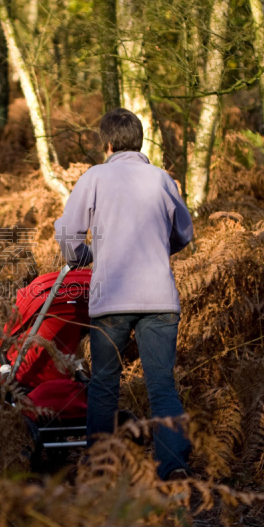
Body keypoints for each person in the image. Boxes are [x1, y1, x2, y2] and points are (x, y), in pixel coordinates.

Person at [54, 108, 194, 480]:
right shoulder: (162, 179)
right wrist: (158, 249)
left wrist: (84, 256)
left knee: (103, 385)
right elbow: (183, 233)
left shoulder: (95, 177)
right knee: (161, 384)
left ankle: (100, 467)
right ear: (140, 141)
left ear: (109, 143)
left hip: (111, 299)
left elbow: (68, 235)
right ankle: (173, 466)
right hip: (159, 300)